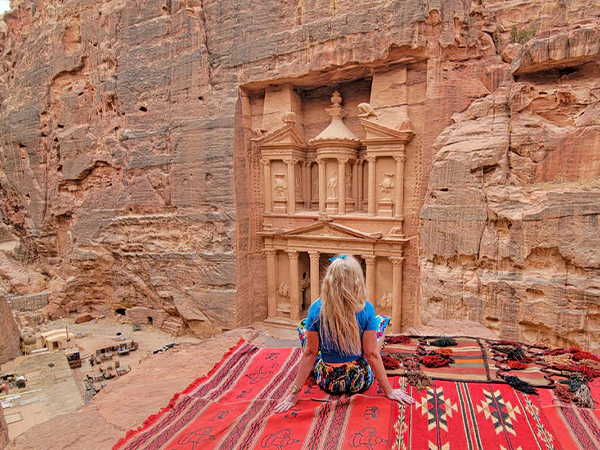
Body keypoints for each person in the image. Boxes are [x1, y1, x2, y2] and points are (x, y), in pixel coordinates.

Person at [274, 254, 415, 413]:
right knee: (380, 322)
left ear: (328, 280)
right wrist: (389, 391)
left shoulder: (316, 309)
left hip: (328, 381)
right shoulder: (366, 309)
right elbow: (372, 355)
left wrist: (294, 394)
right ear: (357, 280)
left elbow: (310, 353)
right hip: (359, 380)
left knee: (303, 327)